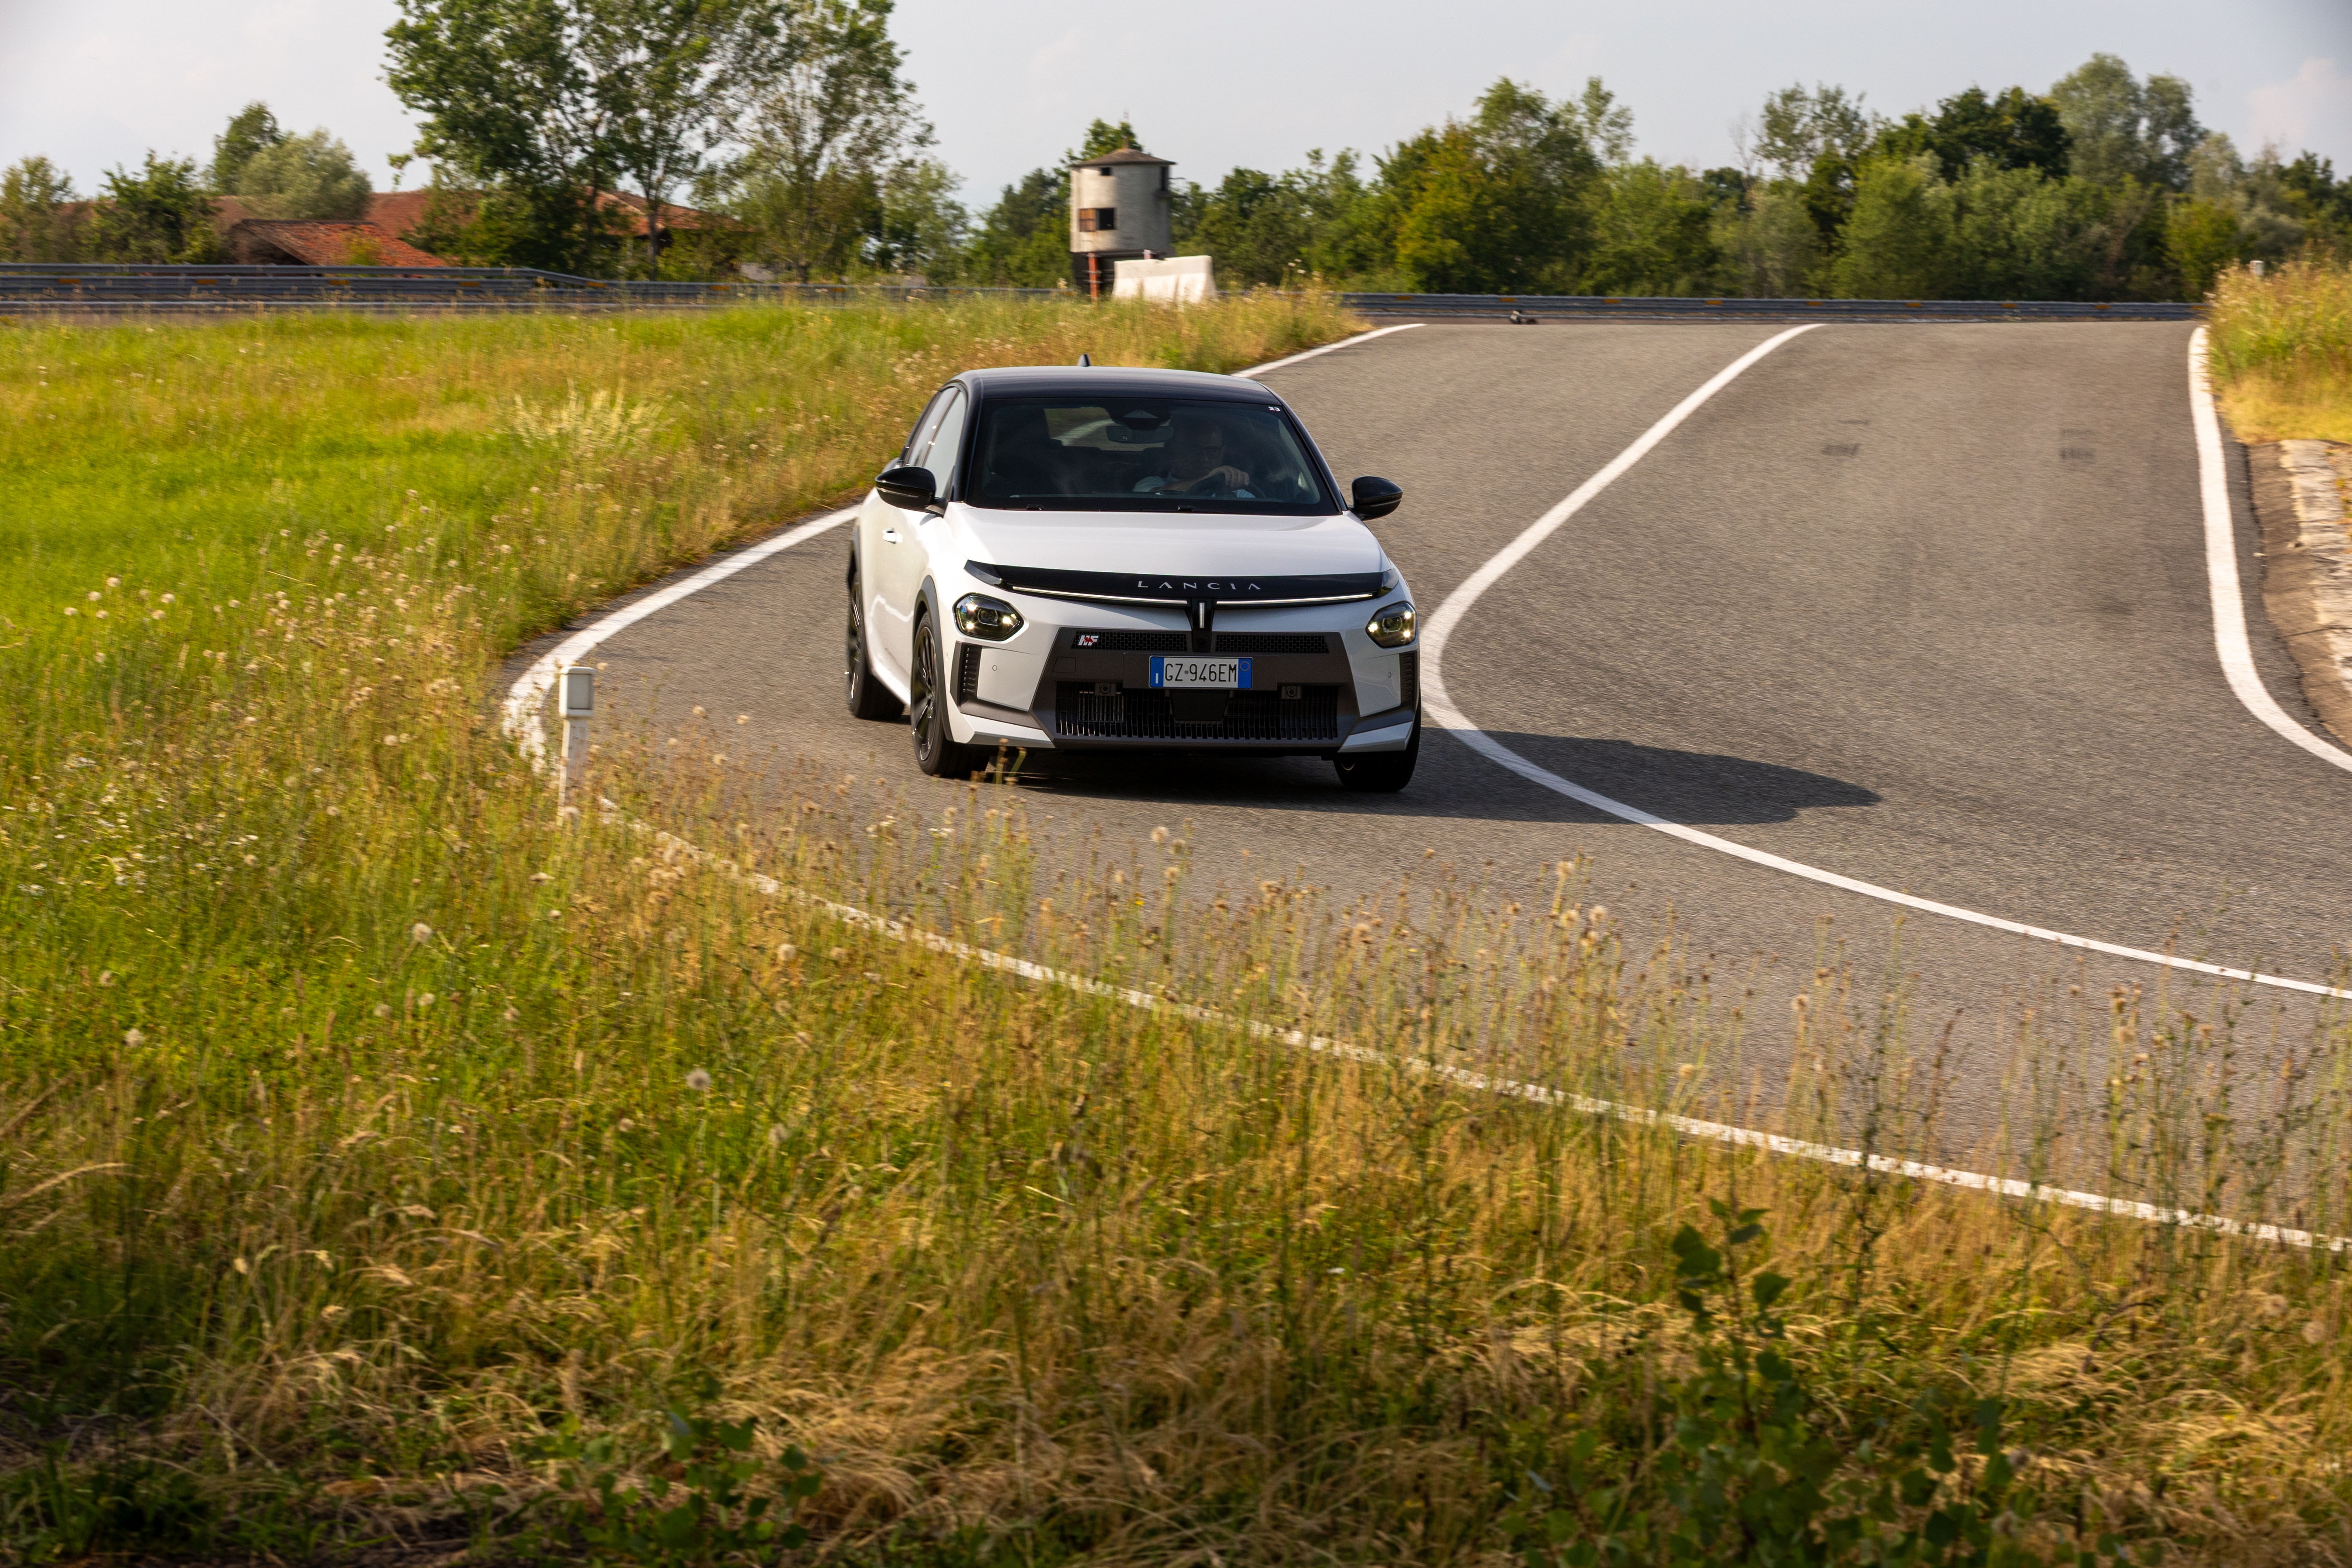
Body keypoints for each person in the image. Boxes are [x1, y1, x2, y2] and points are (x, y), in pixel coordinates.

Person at [1134, 410, 1253, 495]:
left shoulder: (1240, 496)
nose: (1204, 458)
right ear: (1174, 450)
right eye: (1194, 450)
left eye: (1212, 451)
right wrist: (1209, 479)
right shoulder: (1150, 483)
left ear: (1222, 453)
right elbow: (1157, 495)